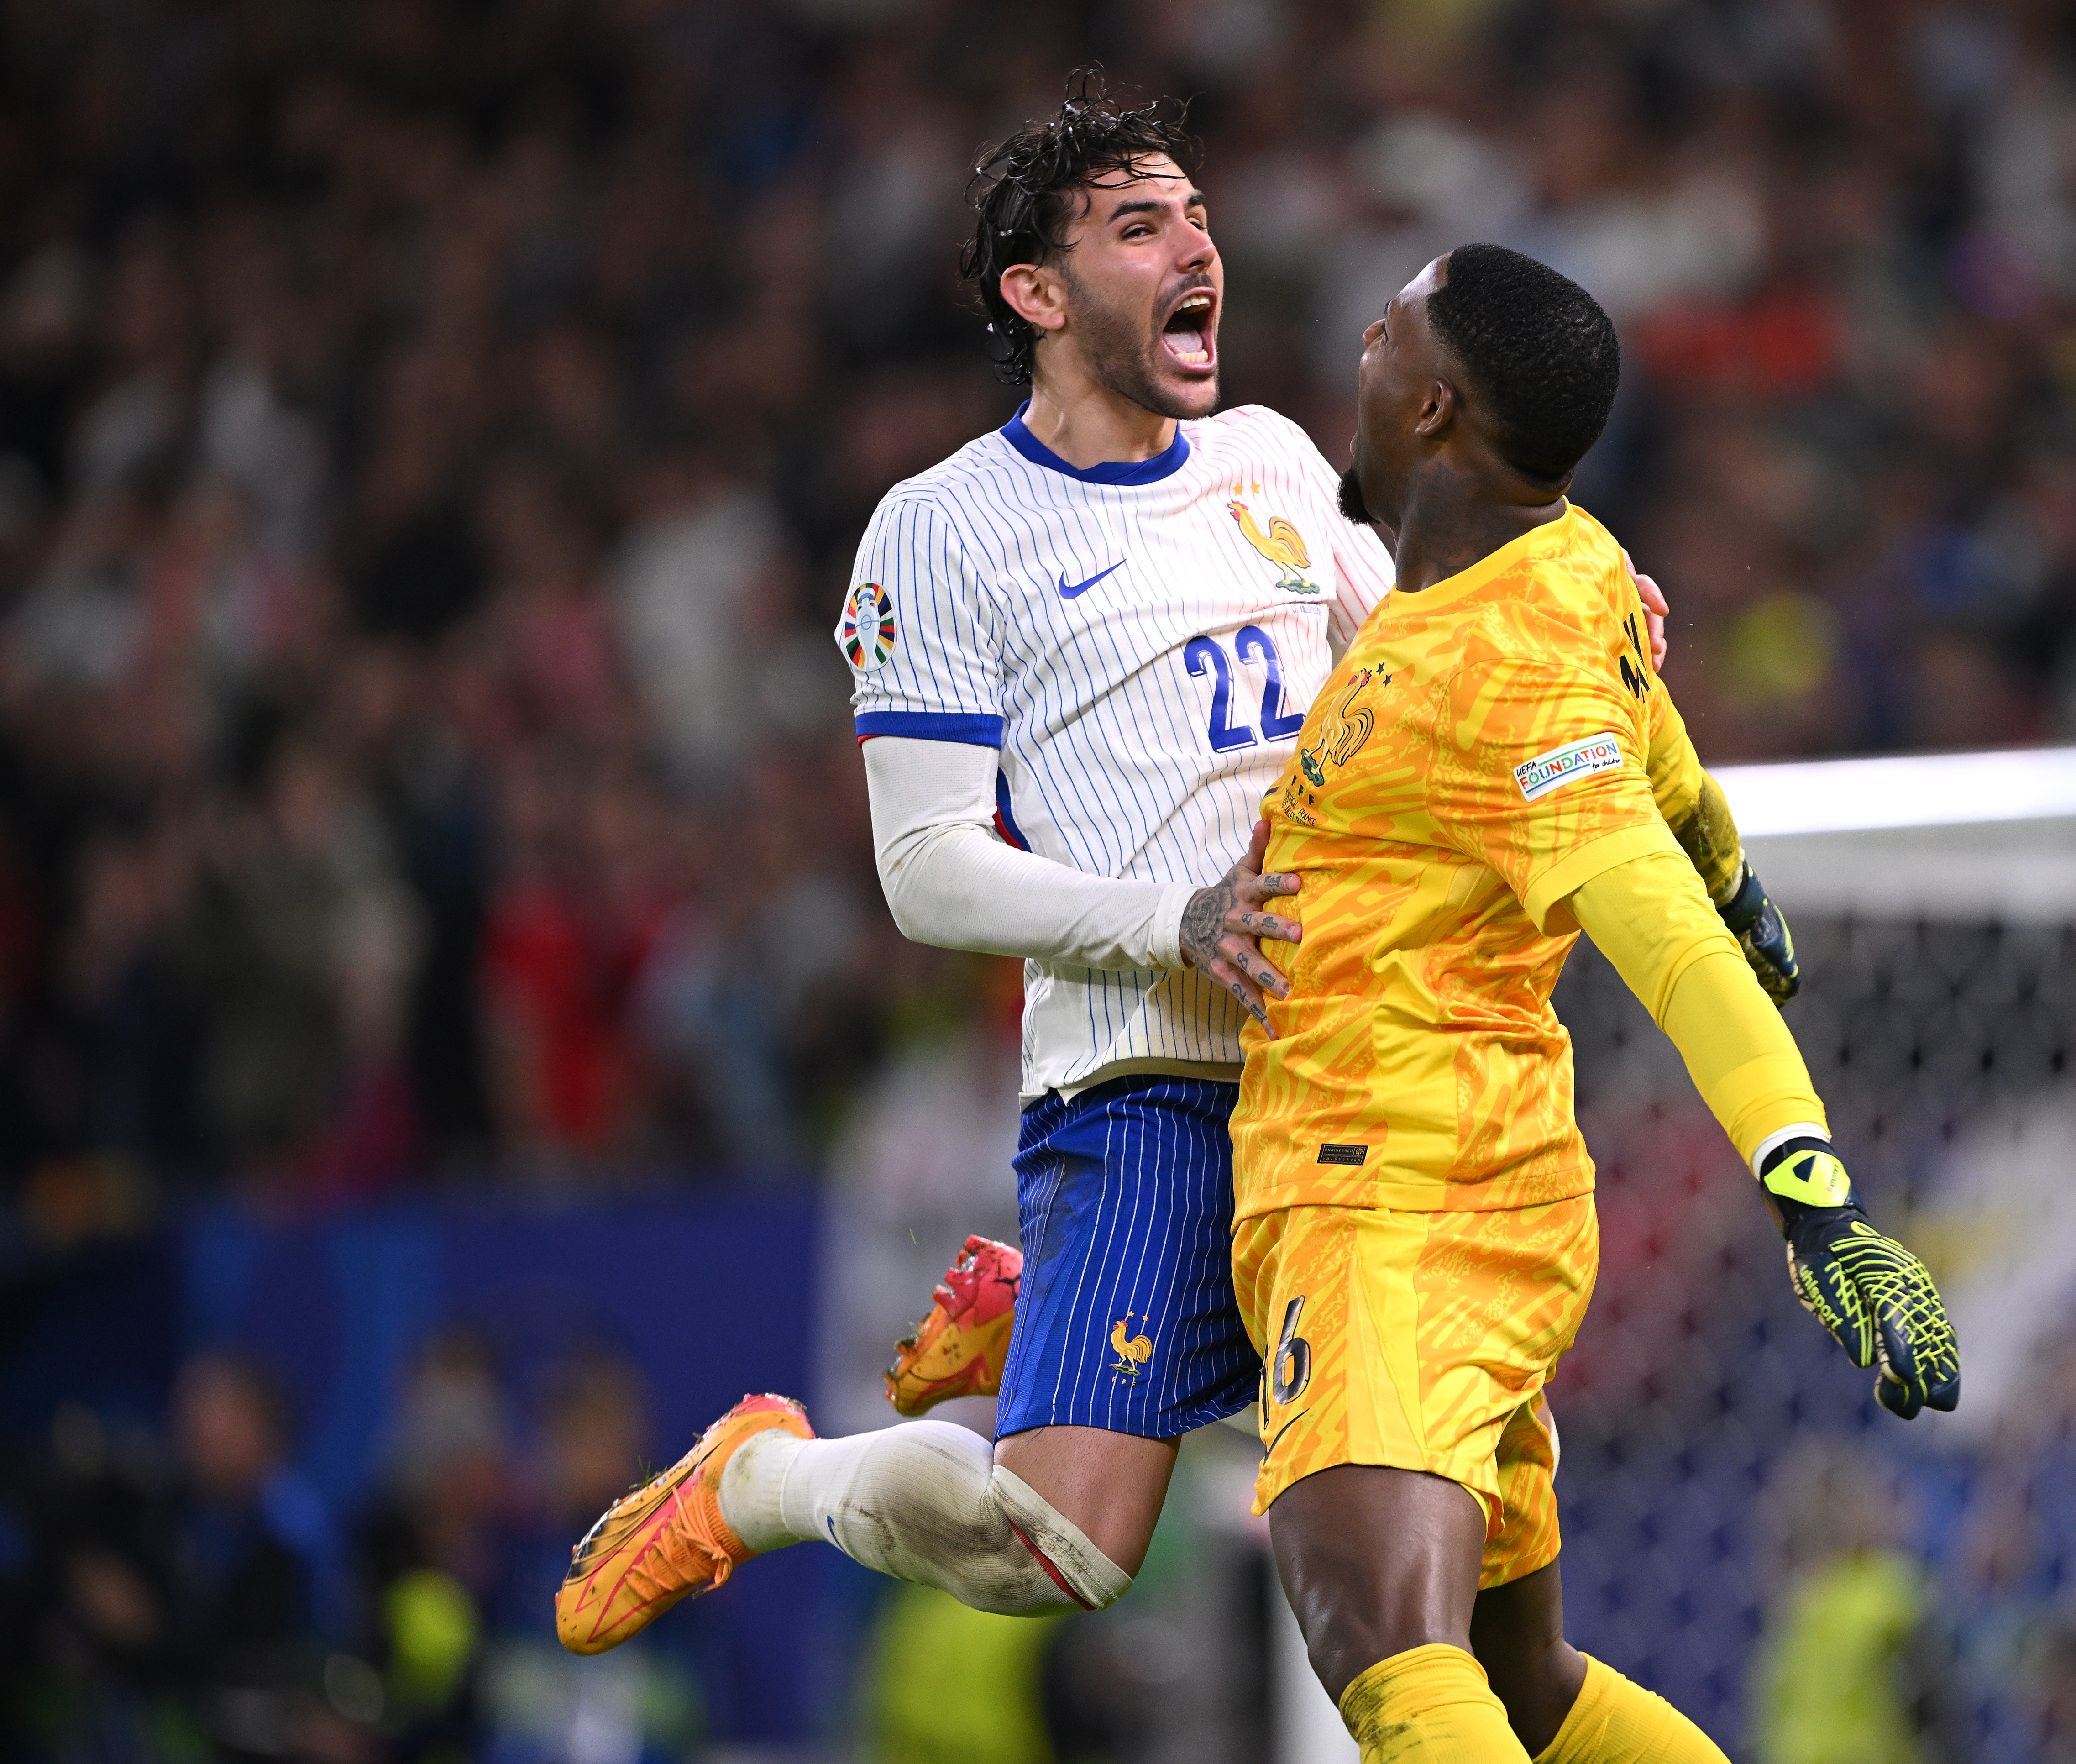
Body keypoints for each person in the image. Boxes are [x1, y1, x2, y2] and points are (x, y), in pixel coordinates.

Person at [549, 80, 1700, 1663]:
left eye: (1198, 214)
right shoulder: (942, 529)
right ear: (1036, 292)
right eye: (1139, 225)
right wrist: (1171, 919)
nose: (1195, 246)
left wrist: (1569, 610)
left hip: (1351, 1077)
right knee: (1064, 1551)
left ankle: (1047, 1326)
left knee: (1468, 1574)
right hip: (1147, 1082)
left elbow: (1418, 663)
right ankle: (759, 1476)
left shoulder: (1274, 461)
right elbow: (928, 872)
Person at [1228, 242, 1961, 1764]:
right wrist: (1723, 848)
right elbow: (1658, 755)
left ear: (1429, 409)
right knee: (1519, 1683)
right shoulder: (1567, 564)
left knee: (1383, 1649)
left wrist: (1808, 1192)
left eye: (1382, 334)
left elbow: (1667, 939)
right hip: (1482, 1186)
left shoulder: (1487, 671)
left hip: (1387, 1199)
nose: (1352, 350)